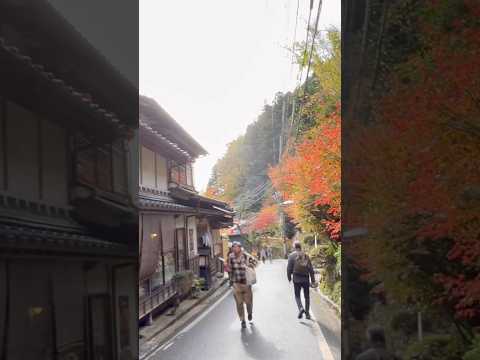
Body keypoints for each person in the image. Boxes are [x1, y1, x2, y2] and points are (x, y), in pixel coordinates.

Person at [228, 241, 257, 329]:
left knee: (248, 303)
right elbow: (230, 268)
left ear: (240, 248)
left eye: (236, 247)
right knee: (239, 303)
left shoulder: (246, 255)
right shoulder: (231, 256)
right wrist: (228, 269)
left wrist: (248, 265)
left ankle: (249, 314)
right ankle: (242, 320)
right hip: (236, 284)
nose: (235, 248)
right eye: (233, 247)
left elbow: (255, 263)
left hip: (246, 284)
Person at [287, 241, 316, 320]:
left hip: (296, 279)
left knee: (297, 295)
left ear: (294, 247)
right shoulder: (306, 255)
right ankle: (307, 314)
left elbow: (289, 268)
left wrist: (289, 277)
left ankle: (300, 308)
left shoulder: (291, 256)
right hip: (305, 279)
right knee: (307, 297)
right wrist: (313, 280)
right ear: (300, 247)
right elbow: (310, 269)